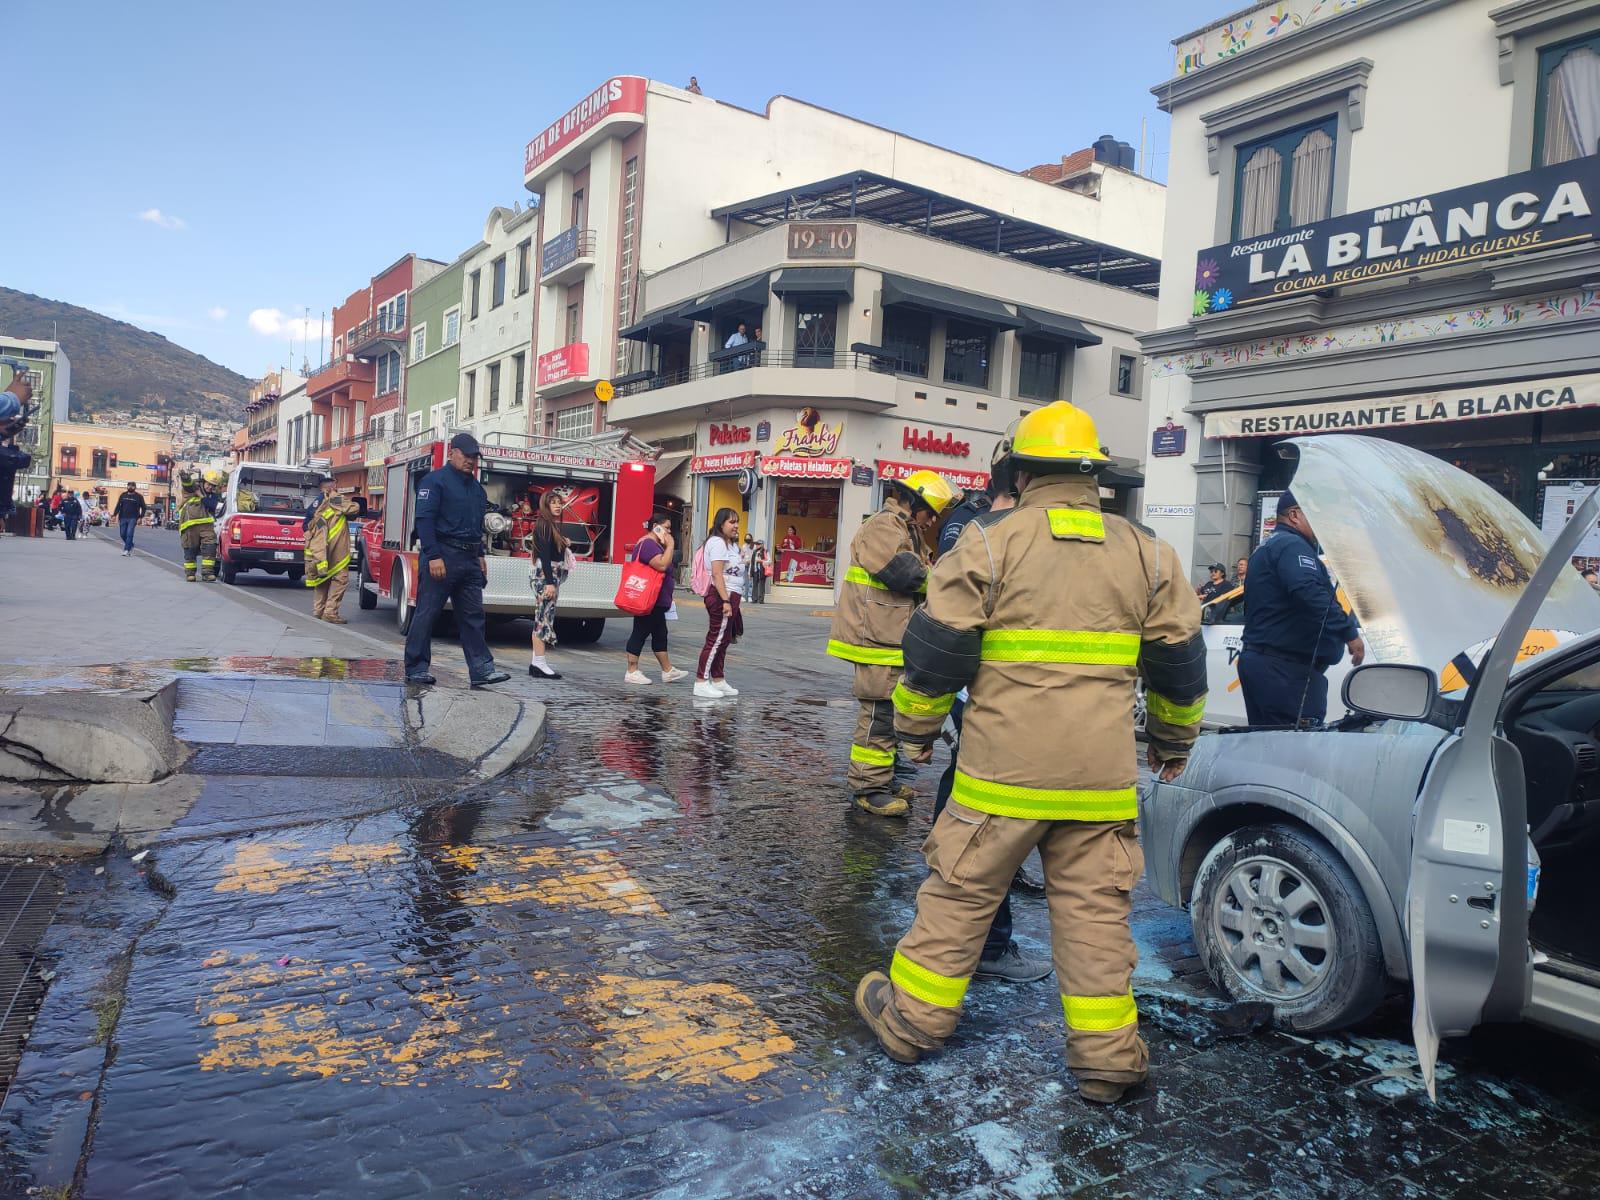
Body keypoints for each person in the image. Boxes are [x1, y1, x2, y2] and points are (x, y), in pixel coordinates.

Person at [856, 401, 1207, 1106]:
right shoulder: (1149, 554)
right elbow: (1179, 667)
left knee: (958, 899)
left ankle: (912, 1024)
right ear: (1094, 476)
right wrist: (1172, 745)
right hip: (1099, 787)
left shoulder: (989, 544)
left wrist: (917, 736)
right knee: (1096, 918)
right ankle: (1109, 1062)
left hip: (1000, 782)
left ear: (1017, 469)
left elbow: (934, 657)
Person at [919, 427, 1050, 983]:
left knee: (973, 815)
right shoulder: (992, 536)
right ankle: (986, 945)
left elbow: (940, 640)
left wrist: (916, 725)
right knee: (979, 822)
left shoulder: (977, 534)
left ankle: (964, 951)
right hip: (1007, 711)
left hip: (989, 704)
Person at [826, 469, 959, 817]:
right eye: (929, 511)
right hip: (876, 641)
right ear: (913, 501)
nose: (931, 520)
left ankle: (882, 778)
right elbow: (907, 573)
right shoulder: (884, 527)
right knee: (878, 716)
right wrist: (945, 579)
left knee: (890, 712)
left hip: (890, 639)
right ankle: (868, 787)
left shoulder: (905, 530)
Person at [1238, 489, 1366, 729]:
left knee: (1270, 750)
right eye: (1315, 516)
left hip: (1274, 666)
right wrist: (1349, 633)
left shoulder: (1271, 546)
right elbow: (1308, 590)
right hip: (1286, 672)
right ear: (1295, 515)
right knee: (1291, 755)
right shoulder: (1291, 546)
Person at [403, 432, 512, 688]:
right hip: (443, 554)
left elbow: (476, 526)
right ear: (452, 452)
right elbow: (424, 521)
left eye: (474, 456)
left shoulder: (476, 489)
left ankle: (481, 669)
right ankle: (416, 668)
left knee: (474, 616)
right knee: (427, 614)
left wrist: (481, 555)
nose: (471, 461)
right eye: (466, 455)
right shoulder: (434, 482)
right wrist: (433, 556)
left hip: (469, 558)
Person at [625, 515, 689, 685]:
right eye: (666, 528)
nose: (669, 532)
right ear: (656, 527)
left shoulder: (655, 545)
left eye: (669, 528)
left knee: (660, 633)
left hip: (657, 600)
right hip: (649, 599)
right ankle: (632, 670)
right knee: (640, 631)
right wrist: (671, 545)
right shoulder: (648, 544)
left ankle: (667, 670)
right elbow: (661, 564)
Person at [694, 508, 744, 699]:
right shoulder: (717, 543)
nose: (736, 525)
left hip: (733, 594)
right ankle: (701, 681)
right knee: (715, 639)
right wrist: (725, 600)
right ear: (720, 524)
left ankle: (718, 679)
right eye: (732, 522)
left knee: (723, 640)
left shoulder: (730, 544)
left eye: (737, 521)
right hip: (723, 595)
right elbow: (716, 574)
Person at [303, 477, 359, 623]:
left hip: (320, 551)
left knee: (322, 579)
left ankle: (318, 610)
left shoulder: (316, 504)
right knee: (341, 579)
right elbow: (354, 508)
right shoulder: (334, 500)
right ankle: (330, 612)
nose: (337, 489)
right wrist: (337, 497)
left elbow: (307, 525)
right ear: (329, 488)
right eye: (335, 487)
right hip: (335, 551)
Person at [528, 490, 570, 679]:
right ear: (545, 505)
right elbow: (545, 556)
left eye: (559, 502)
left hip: (549, 575)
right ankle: (539, 663)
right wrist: (550, 583)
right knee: (542, 619)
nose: (557, 505)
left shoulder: (550, 525)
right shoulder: (544, 524)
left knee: (545, 616)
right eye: (553, 502)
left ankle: (536, 662)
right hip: (545, 576)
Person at [175, 471, 218, 581]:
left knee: (210, 547)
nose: (210, 487)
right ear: (203, 482)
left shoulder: (212, 496)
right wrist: (185, 477)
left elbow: (212, 505)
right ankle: (190, 574)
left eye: (212, 486)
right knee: (190, 549)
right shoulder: (193, 488)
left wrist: (201, 495)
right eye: (208, 484)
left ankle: (207, 573)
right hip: (189, 525)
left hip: (206, 525)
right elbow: (188, 484)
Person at [113, 481, 146, 556]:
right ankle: (130, 544)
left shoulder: (139, 496)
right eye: (129, 486)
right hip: (123, 517)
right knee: (122, 534)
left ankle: (126, 550)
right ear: (127, 487)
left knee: (129, 534)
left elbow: (144, 508)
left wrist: (141, 517)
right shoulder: (123, 495)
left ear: (135, 487)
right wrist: (114, 515)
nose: (130, 487)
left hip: (133, 518)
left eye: (132, 486)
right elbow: (118, 505)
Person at [739, 535, 756, 600]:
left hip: (751, 565)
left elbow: (754, 555)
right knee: (743, 580)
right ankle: (743, 595)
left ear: (751, 538)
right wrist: (743, 560)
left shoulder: (753, 546)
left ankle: (749, 596)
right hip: (745, 565)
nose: (747, 539)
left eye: (748, 538)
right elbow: (741, 556)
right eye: (746, 538)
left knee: (750, 581)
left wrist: (751, 561)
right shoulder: (743, 546)